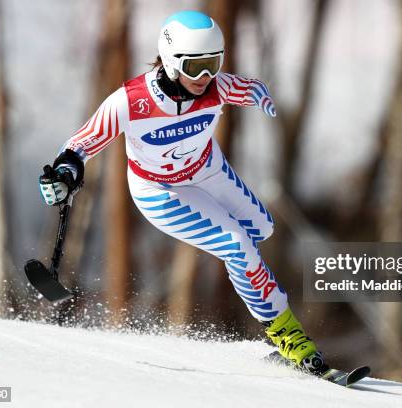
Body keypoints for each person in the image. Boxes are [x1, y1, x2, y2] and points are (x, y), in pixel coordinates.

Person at [39, 10, 327, 375]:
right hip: (159, 191)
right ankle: (288, 335)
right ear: (172, 63)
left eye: (214, 64)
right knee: (238, 246)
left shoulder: (217, 87)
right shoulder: (130, 101)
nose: (205, 78)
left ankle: (258, 298)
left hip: (209, 172)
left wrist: (261, 96)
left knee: (260, 230)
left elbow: (247, 86)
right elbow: (81, 145)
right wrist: (64, 174)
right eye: (196, 68)